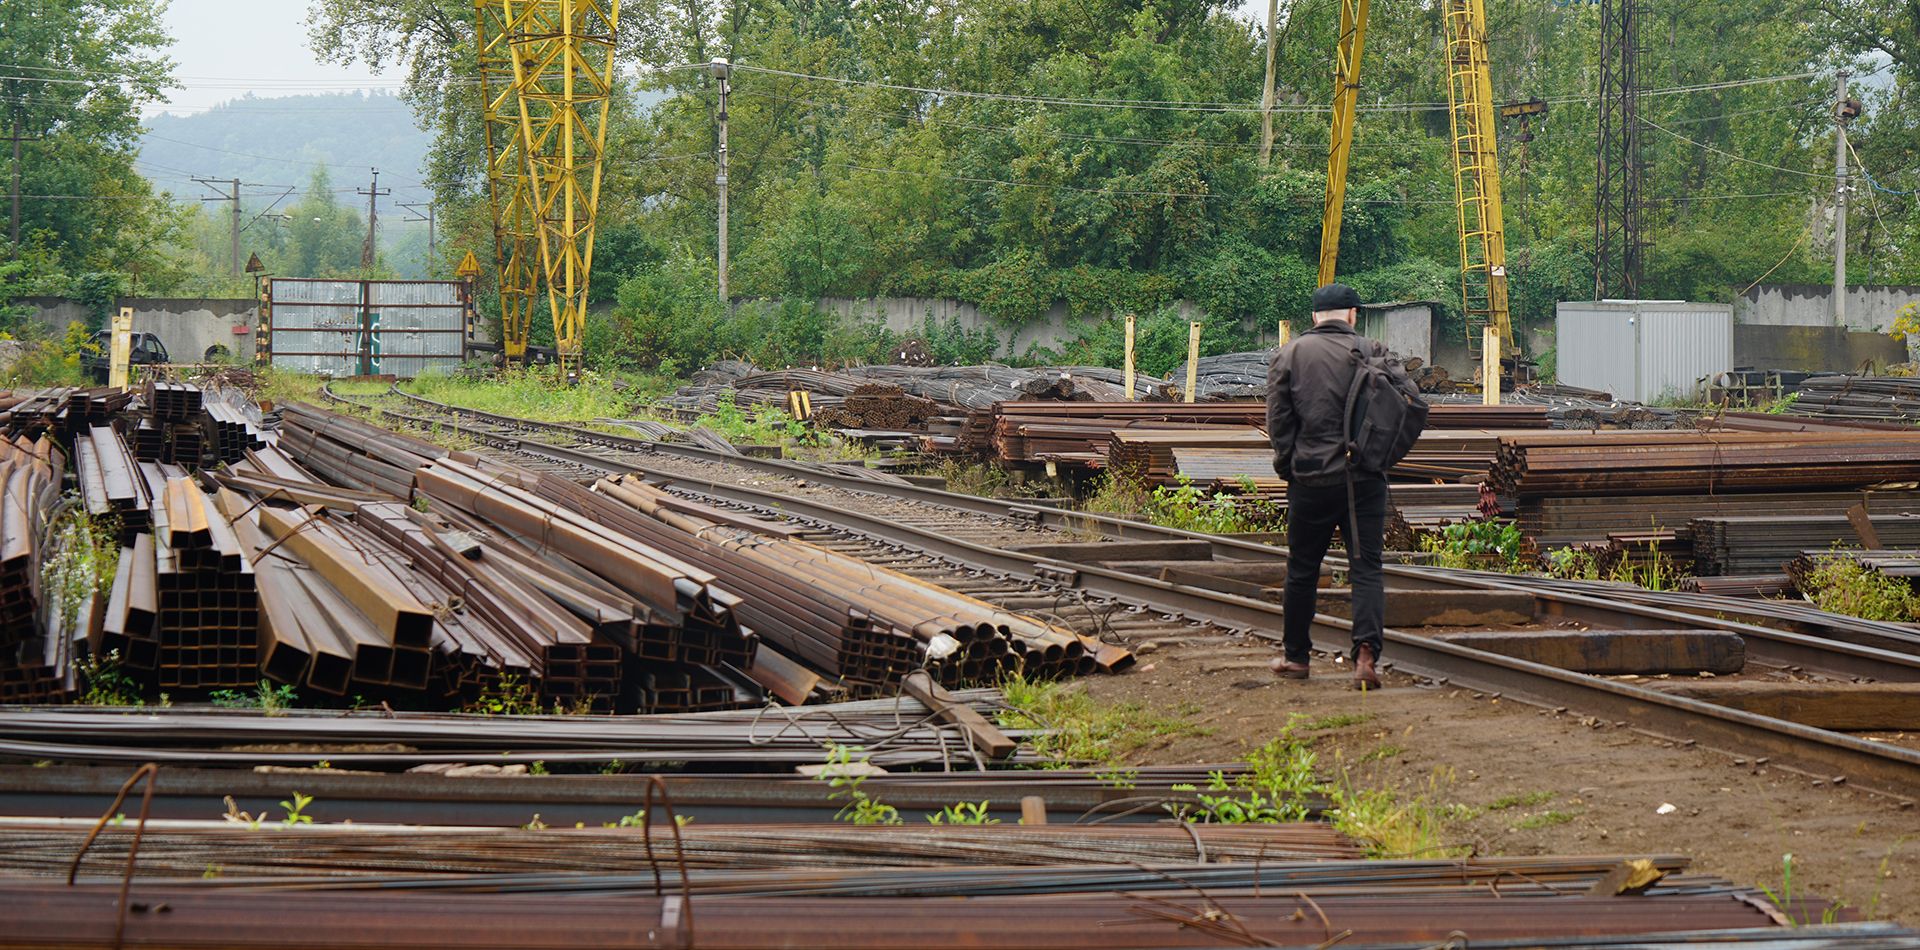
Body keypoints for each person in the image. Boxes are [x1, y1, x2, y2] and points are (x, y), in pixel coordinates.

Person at [1264, 283, 1407, 689]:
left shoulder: (1289, 354)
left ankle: (1296, 658)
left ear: (1314, 317)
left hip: (1310, 479)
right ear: (1352, 315)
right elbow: (1405, 406)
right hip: (1364, 478)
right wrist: (1382, 458)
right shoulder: (1371, 349)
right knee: (1366, 568)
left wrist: (1288, 467)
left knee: (1303, 569)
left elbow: (1279, 422)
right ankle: (1365, 658)